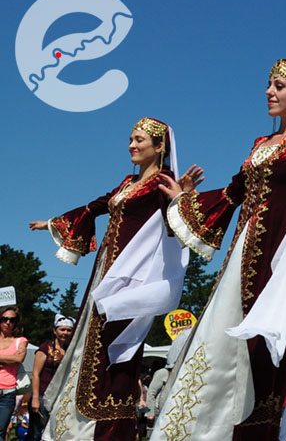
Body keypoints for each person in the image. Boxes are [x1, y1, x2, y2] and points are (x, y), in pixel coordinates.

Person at [152, 59, 286, 441]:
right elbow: (233, 193)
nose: (269, 92)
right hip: (241, 257)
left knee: (259, 356)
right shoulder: (259, 145)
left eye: (279, 86)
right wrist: (185, 200)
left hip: (279, 261)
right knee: (218, 343)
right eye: (269, 85)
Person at [30, 117, 191, 441]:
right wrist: (53, 223)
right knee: (89, 342)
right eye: (131, 139)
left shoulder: (163, 181)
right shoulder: (126, 184)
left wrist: (181, 198)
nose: (132, 145)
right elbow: (95, 207)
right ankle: (74, 427)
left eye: (139, 140)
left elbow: (177, 228)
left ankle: (109, 428)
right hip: (105, 272)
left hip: (131, 279)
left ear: (159, 147)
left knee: (115, 348)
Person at [27, 315, 73, 441]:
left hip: (61, 396)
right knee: (35, 432)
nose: (65, 333)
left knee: (55, 431)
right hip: (42, 394)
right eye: (62, 329)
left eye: (68, 330)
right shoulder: (45, 348)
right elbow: (35, 374)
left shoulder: (71, 350)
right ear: (55, 330)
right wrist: (35, 398)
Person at [0, 307, 27, 436]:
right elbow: (14, 359)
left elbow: (19, 358)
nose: (8, 322)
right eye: (4, 319)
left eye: (12, 319)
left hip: (8, 392)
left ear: (16, 322)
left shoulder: (20, 341)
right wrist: (9, 360)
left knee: (1, 431)